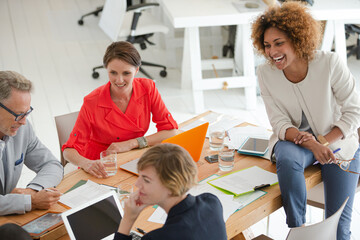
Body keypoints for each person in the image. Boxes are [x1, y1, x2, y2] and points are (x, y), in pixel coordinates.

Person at [251, 2, 360, 239]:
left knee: (339, 228)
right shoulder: (265, 73)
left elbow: (355, 110)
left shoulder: (329, 63)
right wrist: (311, 144)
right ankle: (298, 230)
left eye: (279, 43)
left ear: (298, 39)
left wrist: (323, 141)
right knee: (287, 158)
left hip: (338, 142)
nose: (272, 52)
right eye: (267, 45)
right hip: (295, 142)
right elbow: (278, 121)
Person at [62, 41, 178, 178]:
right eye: (113, 73)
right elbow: (68, 151)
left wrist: (131, 144)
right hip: (101, 166)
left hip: (133, 157)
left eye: (126, 73)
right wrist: (88, 164)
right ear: (106, 69)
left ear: (137, 70)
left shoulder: (148, 88)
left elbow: (171, 131)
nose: (119, 80)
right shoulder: (92, 102)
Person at [115, 143, 227, 240]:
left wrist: (127, 219)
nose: (137, 184)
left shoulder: (158, 237)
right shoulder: (212, 202)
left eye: (146, 180)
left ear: (171, 185)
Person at [0, 71, 63, 216]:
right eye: (18, 115)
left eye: (26, 113)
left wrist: (32, 190)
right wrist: (30, 201)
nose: (23, 121)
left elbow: (52, 165)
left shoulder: (22, 128)